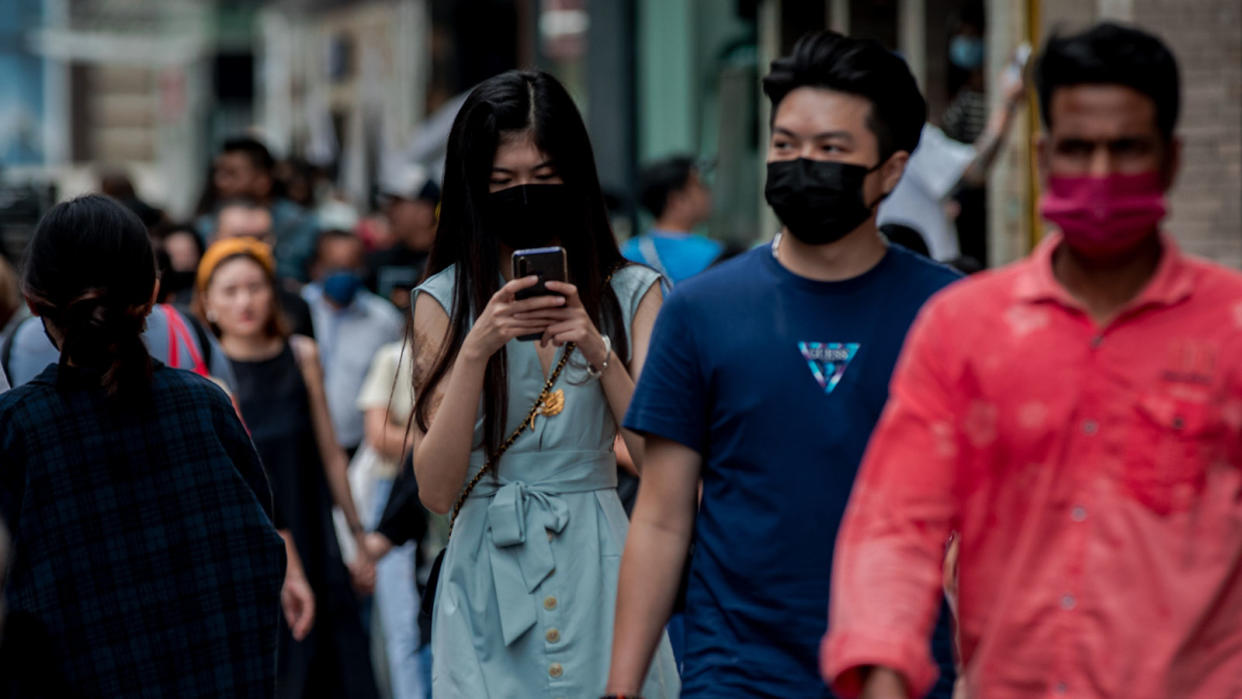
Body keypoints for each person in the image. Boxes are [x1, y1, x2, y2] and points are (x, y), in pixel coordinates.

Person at [822, 23, 1242, 699]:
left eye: (1126, 149)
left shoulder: (1231, 330)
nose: (1100, 173)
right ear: (1045, 158)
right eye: (1078, 149)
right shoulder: (964, 330)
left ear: (1170, 161)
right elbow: (896, 524)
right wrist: (885, 668)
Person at [606, 31, 959, 698]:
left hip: (905, 671)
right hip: (737, 670)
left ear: (891, 169)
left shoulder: (950, 312)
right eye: (785, 144)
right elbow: (660, 516)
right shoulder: (701, 310)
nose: (801, 164)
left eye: (830, 149)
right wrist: (621, 688)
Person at [410, 69, 678, 698]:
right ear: (475, 188)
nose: (523, 196)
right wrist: (476, 349)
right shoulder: (443, 299)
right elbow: (437, 489)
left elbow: (659, 465)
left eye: (544, 181)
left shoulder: (632, 292)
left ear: (576, 182)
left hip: (602, 561)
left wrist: (596, 346)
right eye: (502, 182)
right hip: (484, 571)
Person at [0, 195, 285, 695]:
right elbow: (256, 565)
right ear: (154, 294)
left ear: (32, 302)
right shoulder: (207, 408)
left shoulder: (17, 428)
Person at [196, 236, 380, 699]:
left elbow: (330, 452)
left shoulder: (302, 355)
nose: (245, 301)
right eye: (230, 290)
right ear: (208, 303)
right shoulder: (208, 381)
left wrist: (358, 536)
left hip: (315, 531)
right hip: (255, 545)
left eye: (255, 287)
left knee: (341, 669)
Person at [352, 337, 427, 699]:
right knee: (404, 625)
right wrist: (436, 441)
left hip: (443, 490)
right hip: (398, 488)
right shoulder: (394, 357)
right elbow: (379, 434)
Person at [303, 229, 404, 455]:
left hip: (360, 445)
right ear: (317, 267)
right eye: (335, 265)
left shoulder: (383, 318)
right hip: (304, 441)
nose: (343, 273)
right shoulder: (299, 308)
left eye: (351, 266)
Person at [196, 136, 320, 282]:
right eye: (218, 172)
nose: (220, 181)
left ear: (263, 180)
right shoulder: (204, 225)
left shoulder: (301, 223)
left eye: (232, 174)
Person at [213, 198, 317, 338]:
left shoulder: (295, 307)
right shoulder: (186, 309)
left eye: (259, 238)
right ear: (213, 240)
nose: (249, 247)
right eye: (238, 237)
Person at [622, 155, 721, 285]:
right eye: (699, 186)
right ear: (677, 200)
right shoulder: (715, 256)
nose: (707, 192)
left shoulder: (627, 254)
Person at [366, 163, 441, 312]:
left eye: (398, 203)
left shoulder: (447, 261)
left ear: (425, 210)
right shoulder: (377, 262)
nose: (390, 211)